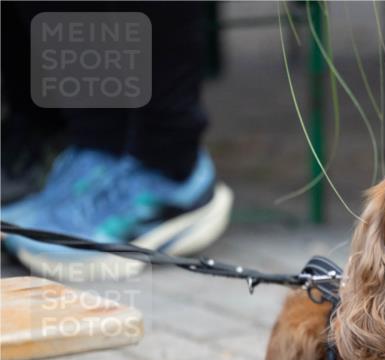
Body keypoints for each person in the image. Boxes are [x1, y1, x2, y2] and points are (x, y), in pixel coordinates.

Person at [1, 2, 230, 278]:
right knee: (101, 135)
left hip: (167, 145)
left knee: (162, 142)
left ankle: (167, 171)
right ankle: (102, 148)